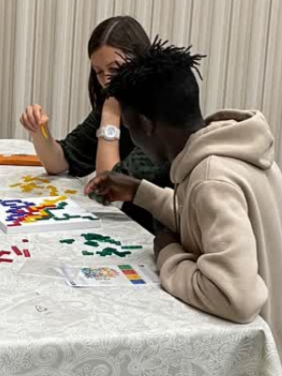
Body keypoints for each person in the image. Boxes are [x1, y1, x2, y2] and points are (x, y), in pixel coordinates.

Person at [85, 39, 282, 376]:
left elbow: (237, 298)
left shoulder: (211, 180)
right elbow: (203, 222)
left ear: (146, 123)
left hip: (254, 367)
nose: (133, 139)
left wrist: (169, 254)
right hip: (272, 342)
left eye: (130, 128)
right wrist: (140, 192)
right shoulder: (234, 150)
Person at [18, 16, 170, 233]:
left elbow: (109, 187)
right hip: (124, 228)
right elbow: (60, 163)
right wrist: (39, 131)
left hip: (155, 233)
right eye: (98, 71)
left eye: (115, 69)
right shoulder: (113, 104)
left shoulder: (159, 115)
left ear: (140, 61)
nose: (107, 80)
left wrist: (109, 117)